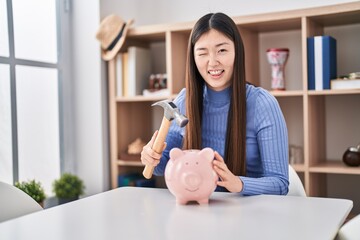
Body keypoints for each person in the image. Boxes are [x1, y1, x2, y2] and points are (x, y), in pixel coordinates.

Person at [141, 12, 289, 195]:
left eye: (222, 50)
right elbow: (163, 165)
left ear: (237, 52)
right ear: (193, 59)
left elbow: (280, 184)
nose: (212, 62)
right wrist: (151, 157)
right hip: (200, 210)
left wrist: (239, 184)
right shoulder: (184, 101)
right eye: (202, 53)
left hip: (250, 215)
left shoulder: (263, 104)